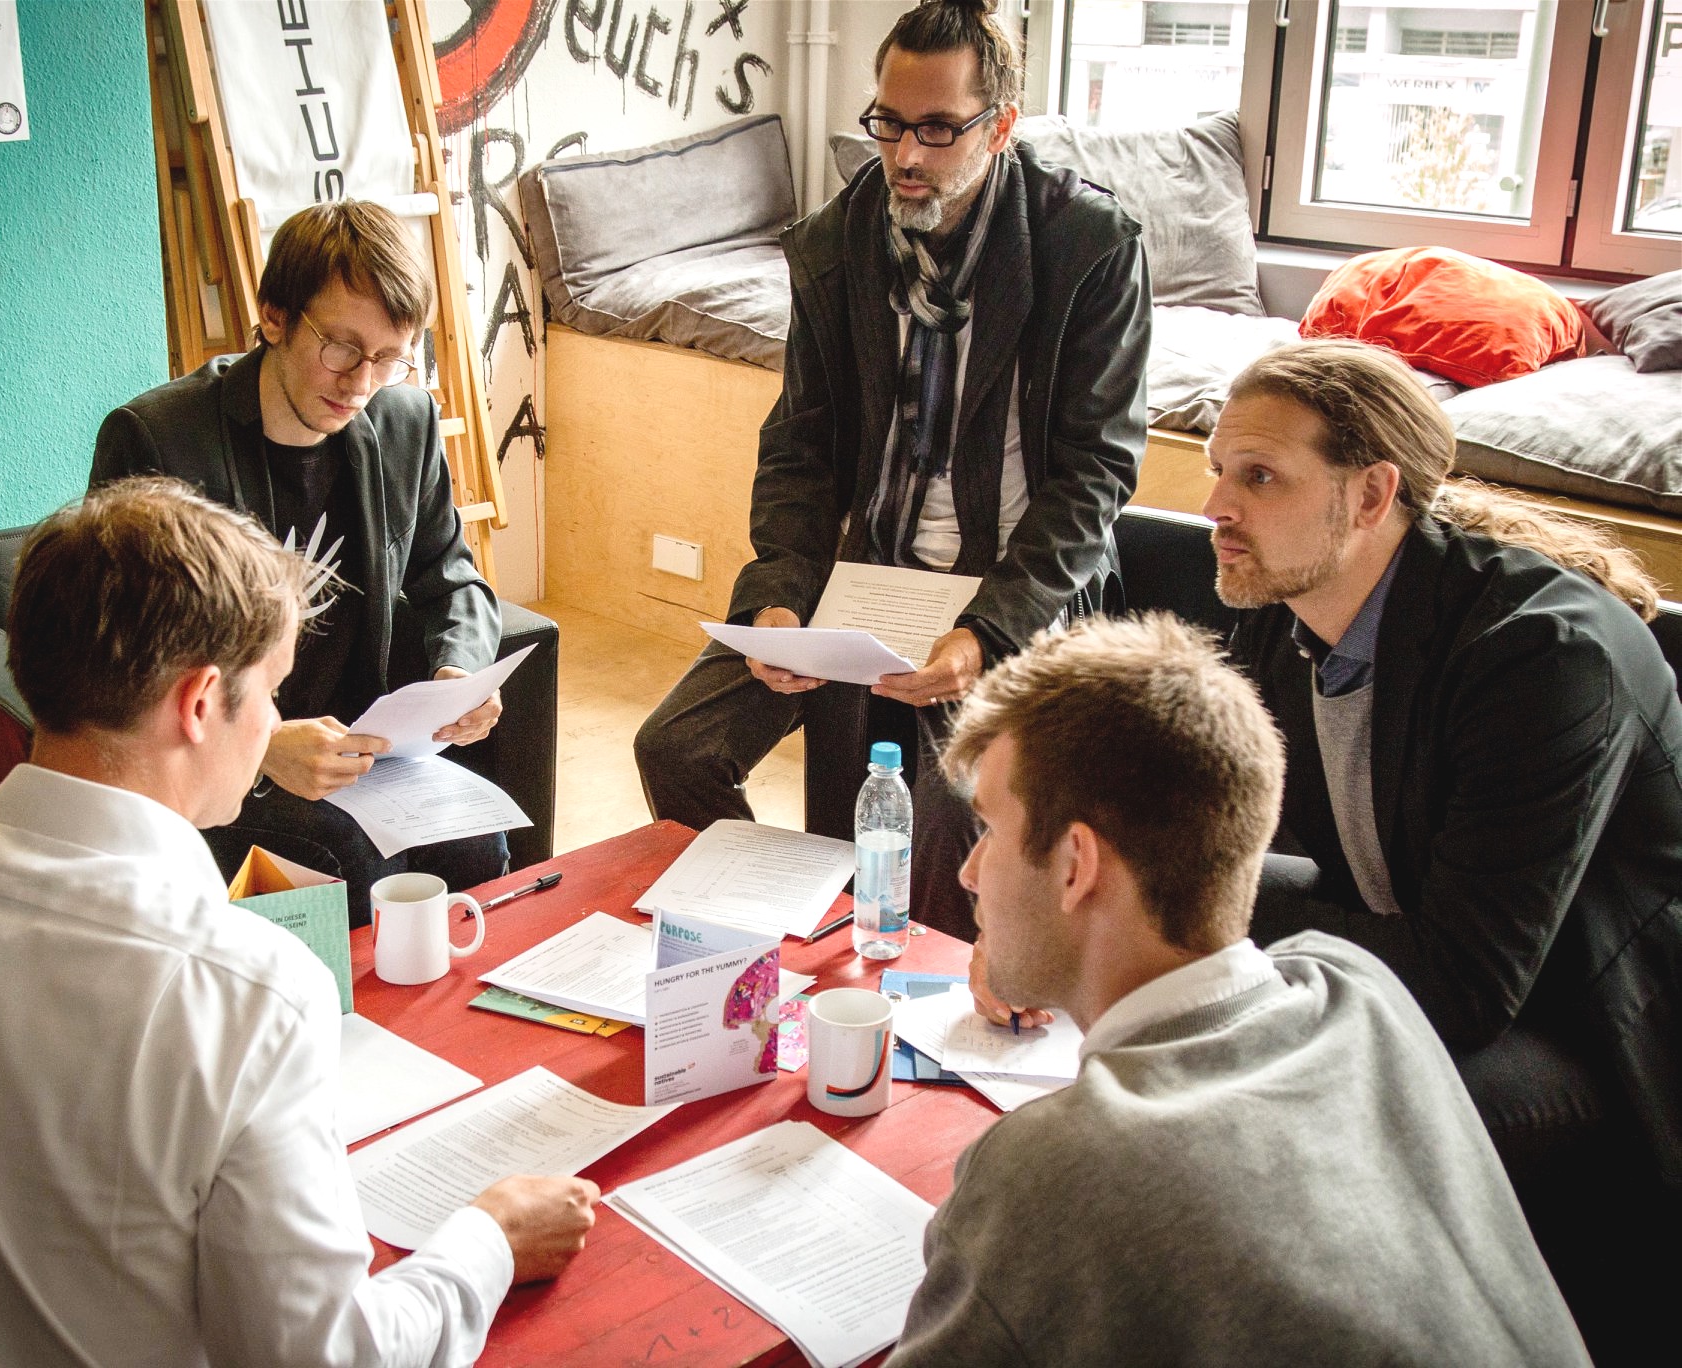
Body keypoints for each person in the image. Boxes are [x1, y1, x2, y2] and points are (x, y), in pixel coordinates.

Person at [0, 478, 597, 1366]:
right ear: (201, 705)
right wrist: (488, 1242)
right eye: (273, 691)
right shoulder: (249, 993)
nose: (277, 719)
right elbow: (318, 1358)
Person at [889, 615, 1587, 1365]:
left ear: (1075, 864)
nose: (966, 872)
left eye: (989, 829)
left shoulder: (1047, 1169)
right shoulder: (1362, 993)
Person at [1203, 338, 1681, 1357]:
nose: (1216, 507)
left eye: (1257, 476)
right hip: (1421, 956)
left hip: (1589, 1032)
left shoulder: (1540, 656)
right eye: (1215, 470)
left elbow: (1464, 986)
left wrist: (1197, 903)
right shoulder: (1280, 616)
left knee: (1285, 1129)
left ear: (1370, 495)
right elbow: (1240, 839)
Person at [634, 0, 1151, 940]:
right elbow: (800, 445)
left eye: (937, 130)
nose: (905, 156)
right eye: (888, 123)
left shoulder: (1089, 250)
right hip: (861, 576)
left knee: (947, 813)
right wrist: (780, 600)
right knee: (679, 748)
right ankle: (797, 939)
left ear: (1000, 126)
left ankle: (923, 994)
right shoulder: (838, 243)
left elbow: (1096, 478)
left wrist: (985, 630)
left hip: (1011, 588)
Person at [94, 199, 506, 925]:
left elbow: (449, 571)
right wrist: (261, 746)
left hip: (363, 751)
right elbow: (121, 662)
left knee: (476, 846)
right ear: (275, 316)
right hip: (222, 759)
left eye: (388, 357)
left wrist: (457, 672)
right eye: (341, 347)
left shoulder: (402, 420)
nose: (360, 383)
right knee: (350, 856)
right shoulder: (159, 442)